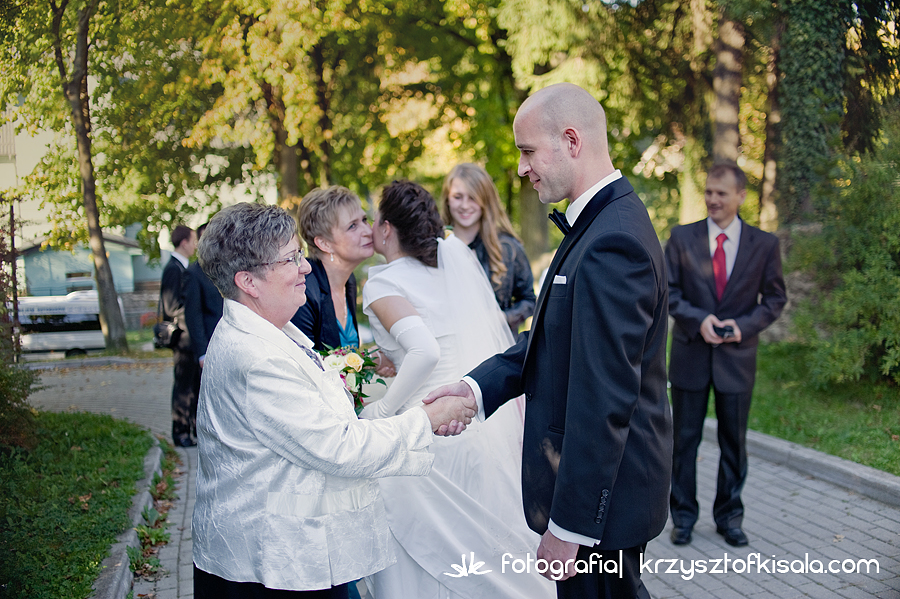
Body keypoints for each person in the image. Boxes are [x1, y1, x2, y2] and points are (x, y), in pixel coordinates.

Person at [425, 82, 672, 598]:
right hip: (599, 502)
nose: (521, 168)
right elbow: (552, 338)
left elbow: (604, 397)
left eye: (528, 151)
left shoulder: (613, 239)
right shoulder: (597, 223)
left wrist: (571, 528)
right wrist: (475, 388)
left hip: (601, 509)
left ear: (571, 141)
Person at [191, 202, 476, 598]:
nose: (306, 269)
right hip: (268, 567)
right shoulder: (256, 359)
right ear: (248, 282)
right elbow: (338, 447)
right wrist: (426, 419)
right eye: (291, 259)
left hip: (286, 555)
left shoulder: (268, 330)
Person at [360, 180, 555, 599]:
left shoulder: (382, 283)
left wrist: (383, 412)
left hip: (430, 427)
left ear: (388, 228)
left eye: (374, 220)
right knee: (481, 546)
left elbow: (425, 352)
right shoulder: (445, 274)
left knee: (430, 553)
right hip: (473, 424)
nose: (371, 228)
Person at [665, 164, 787, 548]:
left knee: (734, 443)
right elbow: (667, 291)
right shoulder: (681, 238)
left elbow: (775, 298)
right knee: (684, 442)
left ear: (741, 196)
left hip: (737, 359)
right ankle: (683, 517)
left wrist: (743, 327)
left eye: (721, 193)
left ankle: (729, 517)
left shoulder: (764, 245)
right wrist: (698, 320)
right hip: (690, 356)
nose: (713, 199)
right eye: (709, 192)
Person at [440, 163, 536, 334]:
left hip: (498, 343)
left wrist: (503, 317)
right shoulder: (437, 246)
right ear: (447, 199)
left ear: (486, 199)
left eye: (473, 198)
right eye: (457, 197)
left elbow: (529, 300)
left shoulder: (508, 248)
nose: (465, 205)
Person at [160, 224, 199, 447]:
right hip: (183, 338)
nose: (195, 245)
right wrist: (194, 316)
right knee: (183, 387)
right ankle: (180, 432)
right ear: (183, 242)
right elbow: (172, 306)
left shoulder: (183, 267)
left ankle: (191, 428)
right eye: (193, 241)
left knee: (192, 385)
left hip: (190, 338)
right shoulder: (174, 269)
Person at [183, 223, 224, 371]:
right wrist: (202, 352)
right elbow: (193, 315)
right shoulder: (193, 273)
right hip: (211, 345)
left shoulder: (230, 268)